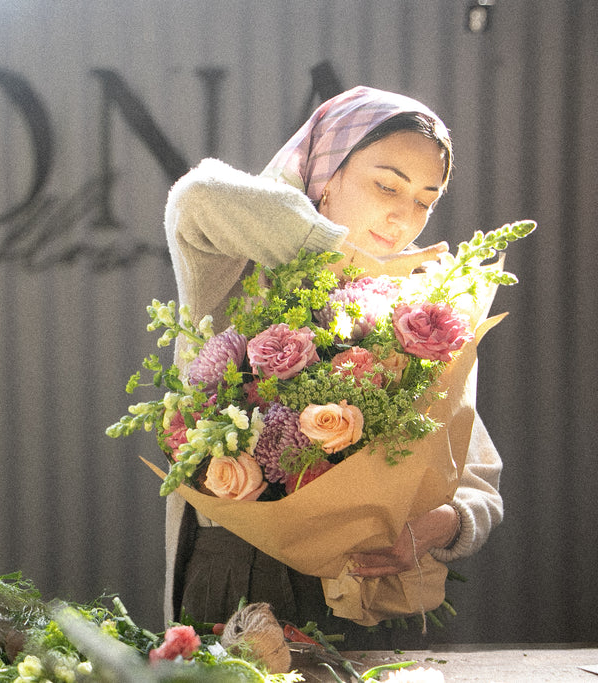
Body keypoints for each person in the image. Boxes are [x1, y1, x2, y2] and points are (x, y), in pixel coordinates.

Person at [163, 86, 503, 648]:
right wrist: (339, 253)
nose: (403, 215)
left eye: (426, 198)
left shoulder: (415, 313)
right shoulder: (235, 267)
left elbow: (474, 477)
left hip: (365, 585)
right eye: (386, 183)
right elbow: (194, 197)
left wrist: (444, 524)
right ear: (326, 173)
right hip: (240, 578)